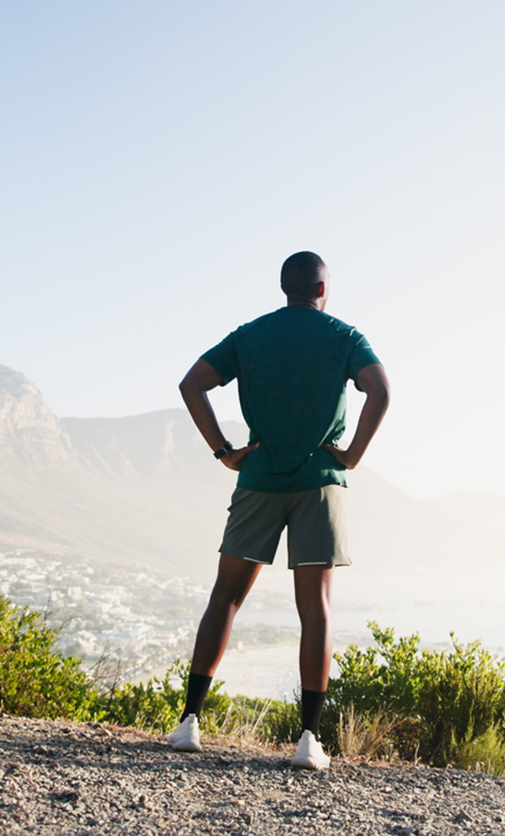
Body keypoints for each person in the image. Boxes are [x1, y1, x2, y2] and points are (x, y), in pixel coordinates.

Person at [166, 251, 390, 770]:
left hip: (259, 478)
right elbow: (379, 389)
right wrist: (353, 454)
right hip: (320, 483)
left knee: (225, 596)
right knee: (316, 610)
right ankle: (309, 741)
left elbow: (191, 384)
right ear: (322, 289)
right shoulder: (344, 336)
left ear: (285, 288)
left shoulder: (250, 335)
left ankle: (188, 725)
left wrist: (225, 451)